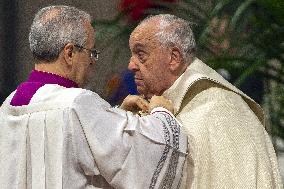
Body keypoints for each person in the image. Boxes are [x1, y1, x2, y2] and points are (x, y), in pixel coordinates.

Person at [0, 6, 188, 189]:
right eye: (91, 52)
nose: (92, 62)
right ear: (70, 53)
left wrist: (116, 116)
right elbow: (139, 156)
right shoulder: (76, 103)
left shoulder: (9, 105)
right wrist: (161, 113)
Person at [128, 14, 283, 188]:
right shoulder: (158, 106)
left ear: (173, 58)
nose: (131, 65)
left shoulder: (220, 112)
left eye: (140, 54)